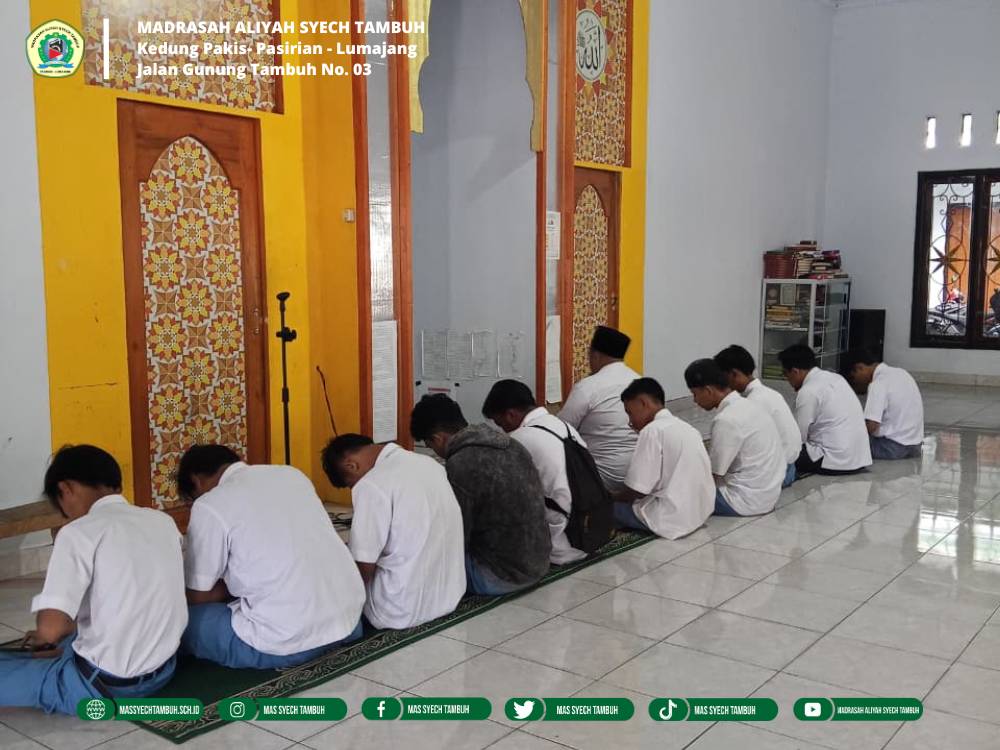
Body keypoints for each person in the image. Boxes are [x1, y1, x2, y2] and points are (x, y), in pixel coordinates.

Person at [0, 445, 185, 714]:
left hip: (105, 686)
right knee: (66, 638)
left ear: (65, 489)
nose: (67, 515)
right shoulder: (161, 521)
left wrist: (44, 635)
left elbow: (51, 629)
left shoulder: (78, 533)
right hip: (164, 670)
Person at [177, 445, 365, 669]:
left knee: (183, 620)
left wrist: (233, 584)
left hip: (286, 642)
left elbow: (198, 595)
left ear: (196, 481)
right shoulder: (292, 475)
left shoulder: (209, 504)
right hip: (348, 623)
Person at [410, 394, 551, 595]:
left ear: (438, 438)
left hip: (500, 577)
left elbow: (455, 536)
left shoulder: (461, 463)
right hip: (539, 563)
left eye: (429, 445)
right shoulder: (510, 443)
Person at [321, 434, 465, 630]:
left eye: (350, 484)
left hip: (399, 610)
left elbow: (364, 565)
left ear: (351, 465)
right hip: (448, 597)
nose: (354, 488)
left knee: (337, 568)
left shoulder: (370, 484)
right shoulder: (430, 464)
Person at [482, 380, 587, 564]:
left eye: (500, 423)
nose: (501, 430)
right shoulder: (563, 425)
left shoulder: (519, 439)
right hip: (587, 530)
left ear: (511, 414)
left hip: (559, 545)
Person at [612, 378, 715, 537]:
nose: (630, 421)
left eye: (630, 412)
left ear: (643, 403)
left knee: (605, 508)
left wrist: (613, 497)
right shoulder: (687, 428)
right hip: (699, 514)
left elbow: (637, 490)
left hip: (672, 519)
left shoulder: (652, 430)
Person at [685, 359, 786, 516]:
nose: (695, 401)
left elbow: (714, 474)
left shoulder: (726, 420)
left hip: (741, 501)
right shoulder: (750, 405)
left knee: (676, 490)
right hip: (768, 495)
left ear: (708, 390)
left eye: (695, 394)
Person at [558, 326, 641, 490]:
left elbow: (560, 429)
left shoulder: (588, 387)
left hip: (599, 478)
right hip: (638, 476)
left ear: (594, 355)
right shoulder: (640, 382)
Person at [714, 344, 801, 487]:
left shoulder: (754, 402)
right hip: (790, 466)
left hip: (778, 473)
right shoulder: (769, 393)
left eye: (722, 379)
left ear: (734, 374)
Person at [778, 344, 873, 475]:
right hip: (858, 458)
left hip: (833, 461)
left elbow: (797, 438)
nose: (787, 379)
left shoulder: (808, 391)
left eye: (785, 374)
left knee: (777, 451)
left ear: (795, 372)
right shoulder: (836, 378)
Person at [846, 350, 924, 460]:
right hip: (915, 446)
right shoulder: (902, 373)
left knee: (844, 440)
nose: (856, 384)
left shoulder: (878, 383)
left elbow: (871, 426)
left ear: (860, 368)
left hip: (891, 447)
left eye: (854, 378)